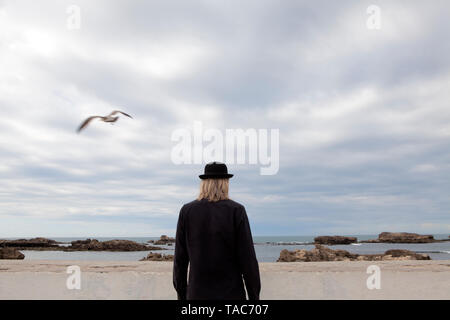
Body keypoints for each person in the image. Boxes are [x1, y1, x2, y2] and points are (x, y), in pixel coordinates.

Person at [173, 161, 261, 300]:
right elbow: (248, 260)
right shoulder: (236, 210)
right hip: (231, 294)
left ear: (203, 183)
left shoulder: (187, 211)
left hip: (197, 294)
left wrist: (182, 295)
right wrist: (254, 297)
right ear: (225, 183)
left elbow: (180, 260)